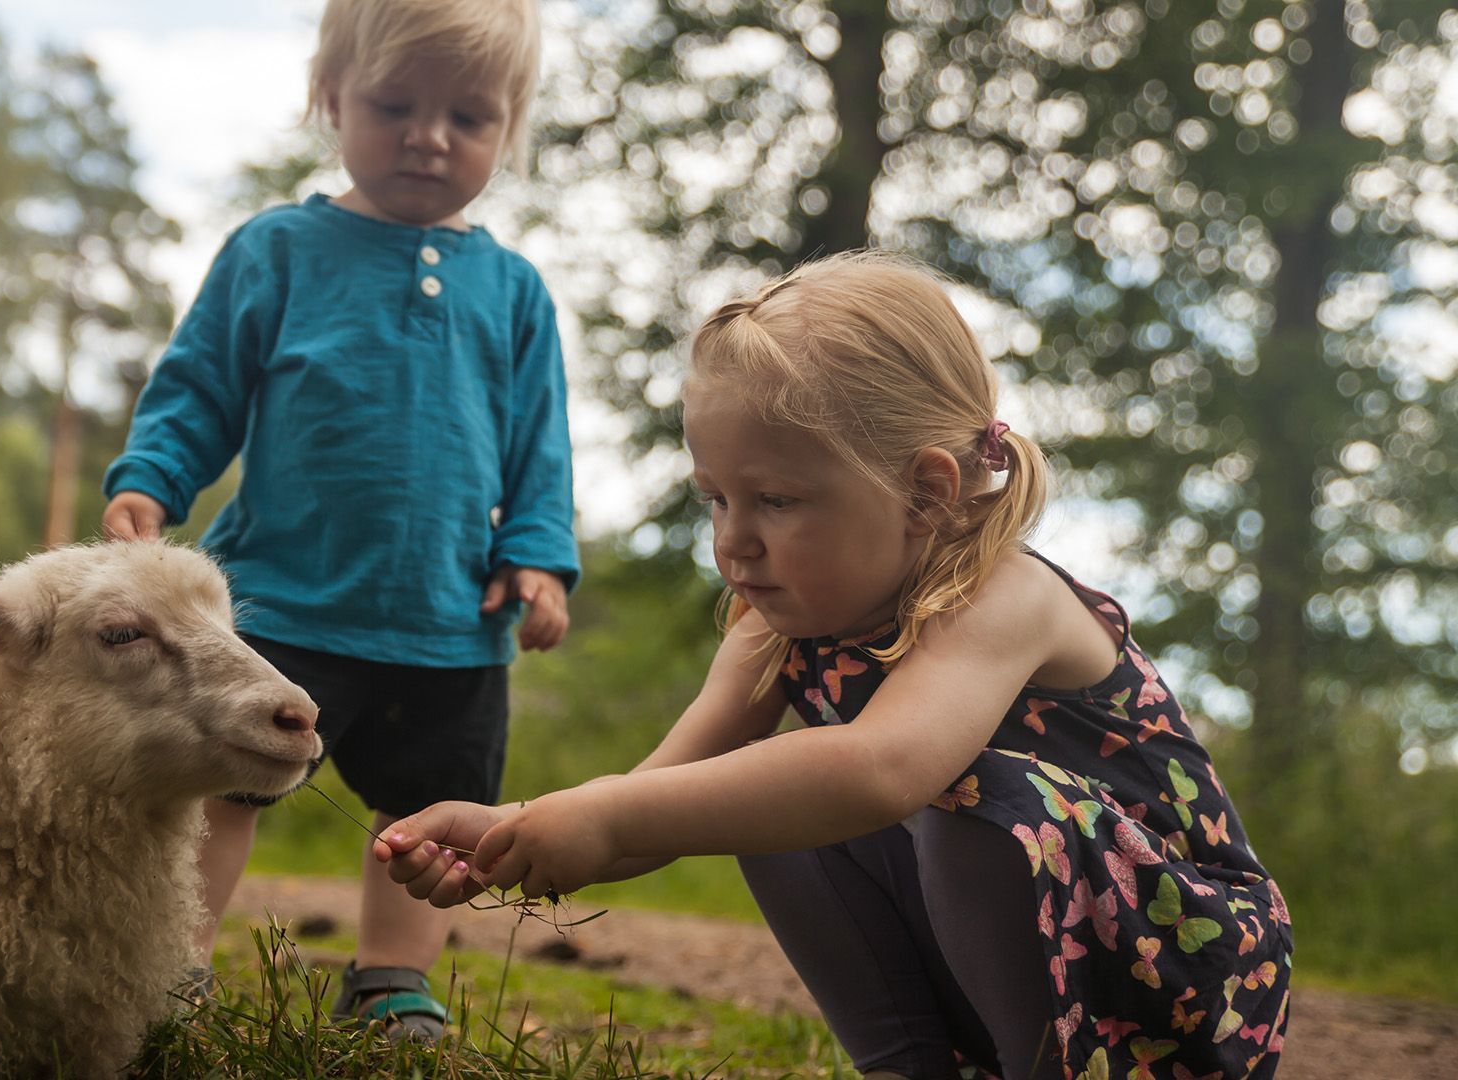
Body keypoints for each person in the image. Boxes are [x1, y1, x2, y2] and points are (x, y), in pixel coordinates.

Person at [374, 252, 1292, 1079]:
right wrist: (517, 829)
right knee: (755, 793)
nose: (734, 541)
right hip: (1024, 959)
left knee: (969, 800)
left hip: (1188, 971)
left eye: (776, 499)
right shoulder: (777, 626)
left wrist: (608, 814)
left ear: (927, 492)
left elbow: (881, 769)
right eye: (716, 500)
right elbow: (661, 797)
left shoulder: (1002, 597)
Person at [99, 0, 577, 1043]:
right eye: (395, 103)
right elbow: (197, 392)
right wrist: (150, 481)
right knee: (223, 790)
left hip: (450, 625)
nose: (428, 135)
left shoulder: (516, 292)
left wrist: (538, 558)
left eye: (469, 115)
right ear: (331, 100)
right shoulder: (276, 252)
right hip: (279, 604)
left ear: (511, 127)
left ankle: (393, 977)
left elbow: (540, 448)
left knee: (428, 814)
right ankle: (169, 963)